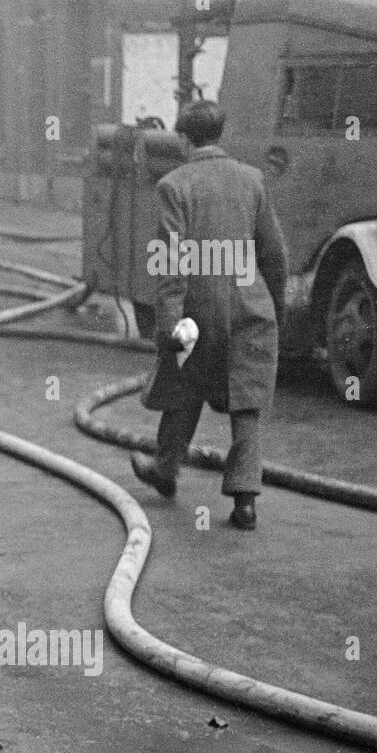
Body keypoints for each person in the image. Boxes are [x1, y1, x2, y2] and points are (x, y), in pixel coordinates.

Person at [130, 99, 288, 530]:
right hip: (251, 306)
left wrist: (169, 327)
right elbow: (273, 253)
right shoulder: (252, 179)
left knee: (184, 387)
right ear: (220, 134)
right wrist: (276, 305)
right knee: (247, 402)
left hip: (198, 312)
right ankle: (245, 502)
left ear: (183, 138)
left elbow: (172, 264)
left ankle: (165, 471)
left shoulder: (173, 185)